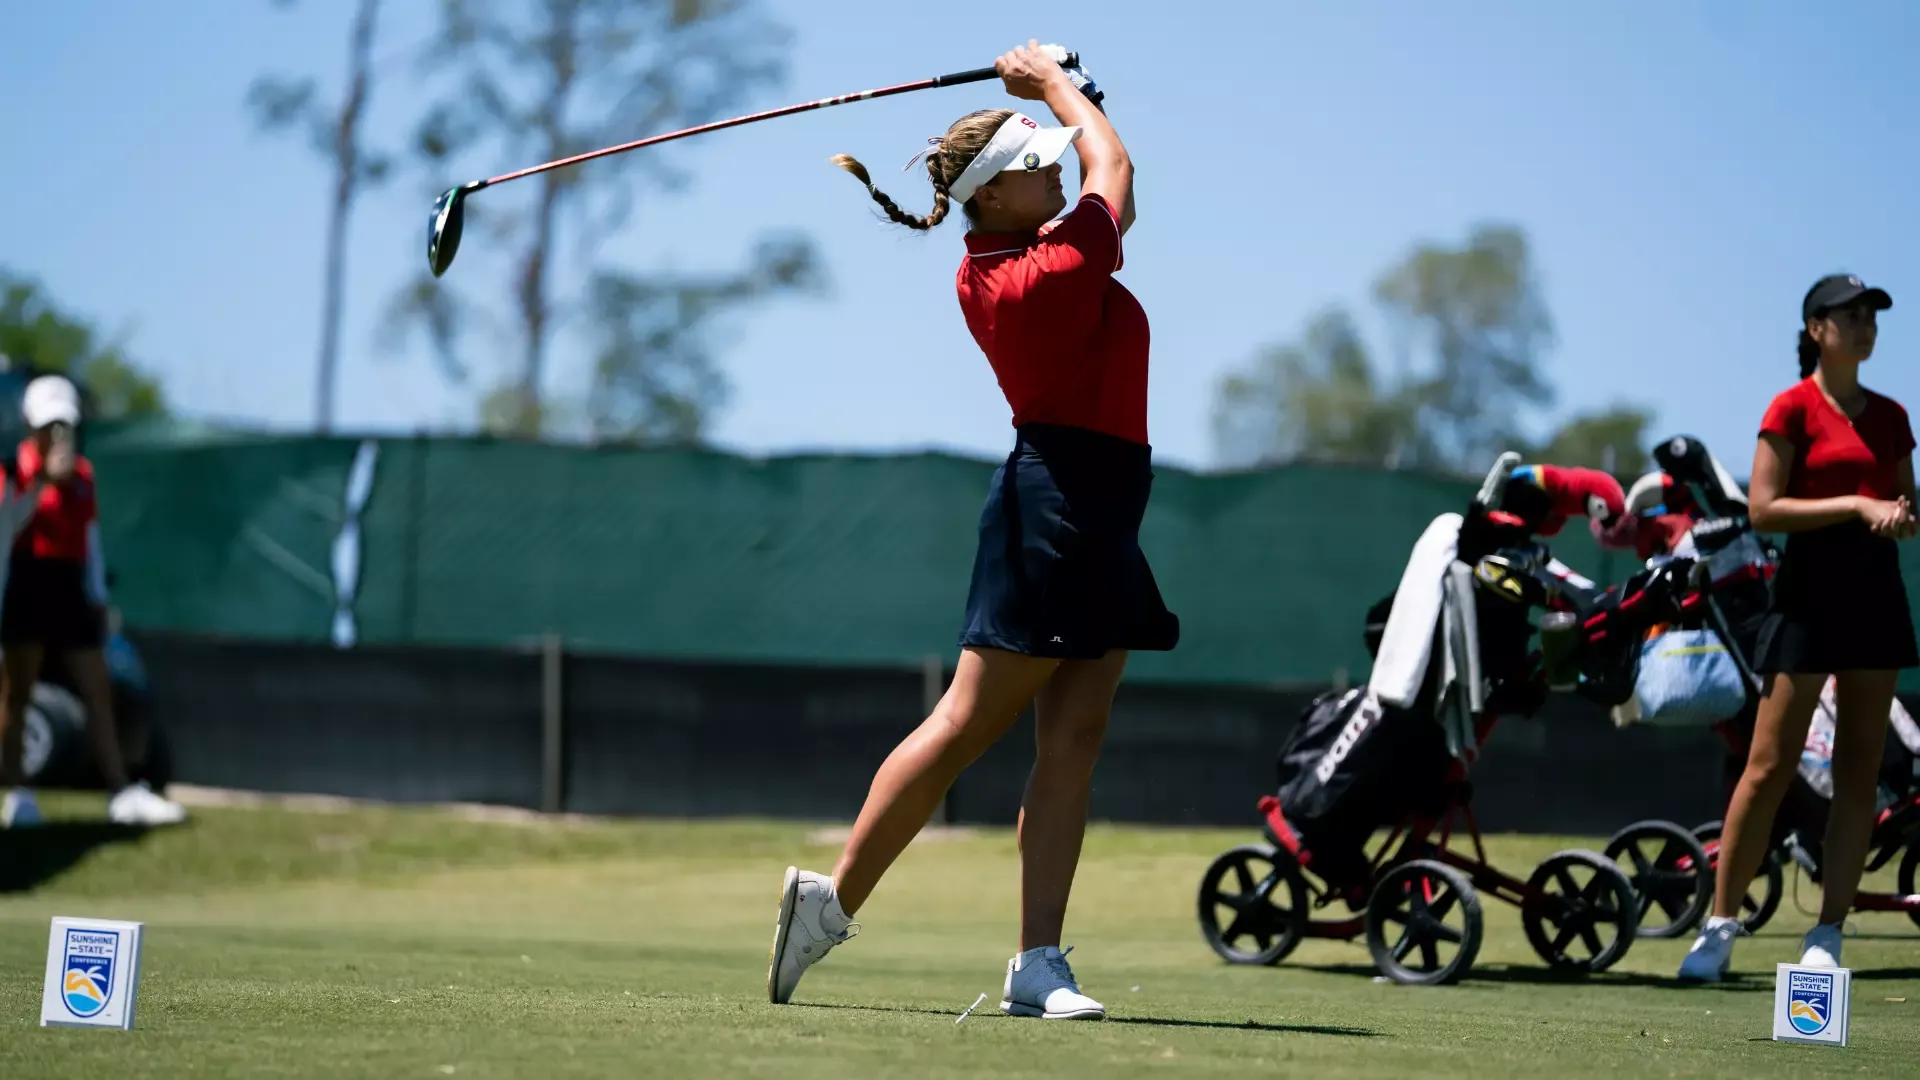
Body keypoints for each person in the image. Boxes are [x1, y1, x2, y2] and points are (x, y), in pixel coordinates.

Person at [765, 42, 1174, 1020]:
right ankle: (829, 903)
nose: (1055, 172)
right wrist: (1053, 87)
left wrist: (1064, 101)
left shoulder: (1024, 248)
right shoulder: (1038, 275)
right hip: (1056, 506)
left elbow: (1093, 170)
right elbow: (1115, 171)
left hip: (1105, 502)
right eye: (1035, 166)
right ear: (991, 196)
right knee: (964, 726)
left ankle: (1038, 964)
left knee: (1075, 734)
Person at [1678, 274, 1915, 982]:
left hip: (1875, 597)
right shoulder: (1790, 407)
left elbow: (1906, 502)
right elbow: (1763, 508)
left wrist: (1900, 516)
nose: (1866, 326)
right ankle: (1720, 926)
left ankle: (1827, 933)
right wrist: (1856, 505)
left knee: (1858, 772)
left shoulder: (1893, 416)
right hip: (1806, 596)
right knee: (1769, 765)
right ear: (1816, 329)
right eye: (1851, 315)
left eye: (1872, 315)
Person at [0, 374, 185, 828]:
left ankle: (120, 793)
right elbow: (8, 530)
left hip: (69, 588)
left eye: (62, 426)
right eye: (48, 427)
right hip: (26, 581)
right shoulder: (13, 471)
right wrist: (40, 483)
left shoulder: (83, 475)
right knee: (17, 695)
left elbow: (91, 540)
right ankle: (17, 794)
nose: (55, 435)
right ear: (30, 425)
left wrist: (97, 595)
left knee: (98, 690)